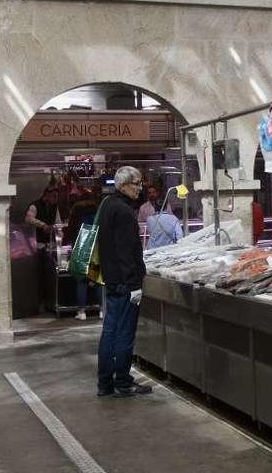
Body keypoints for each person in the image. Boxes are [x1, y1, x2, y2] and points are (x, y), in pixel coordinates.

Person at [96, 166, 152, 398]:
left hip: (110, 279)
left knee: (109, 331)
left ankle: (105, 383)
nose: (139, 188)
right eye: (136, 184)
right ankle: (123, 381)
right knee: (124, 334)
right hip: (124, 283)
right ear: (122, 185)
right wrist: (135, 285)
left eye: (140, 183)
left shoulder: (107, 205)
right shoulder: (125, 211)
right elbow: (127, 252)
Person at [65, 187, 101, 321]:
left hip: (80, 247)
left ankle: (82, 312)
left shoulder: (76, 211)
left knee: (81, 280)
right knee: (97, 279)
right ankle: (102, 310)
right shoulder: (97, 209)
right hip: (95, 247)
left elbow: (70, 230)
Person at [25, 186, 60, 313]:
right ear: (47, 195)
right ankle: (39, 303)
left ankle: (49, 303)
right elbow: (28, 219)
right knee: (39, 277)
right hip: (37, 246)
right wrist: (43, 225)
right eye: (54, 196)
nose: (55, 199)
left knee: (50, 277)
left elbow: (57, 222)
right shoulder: (35, 206)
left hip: (50, 246)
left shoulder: (54, 207)